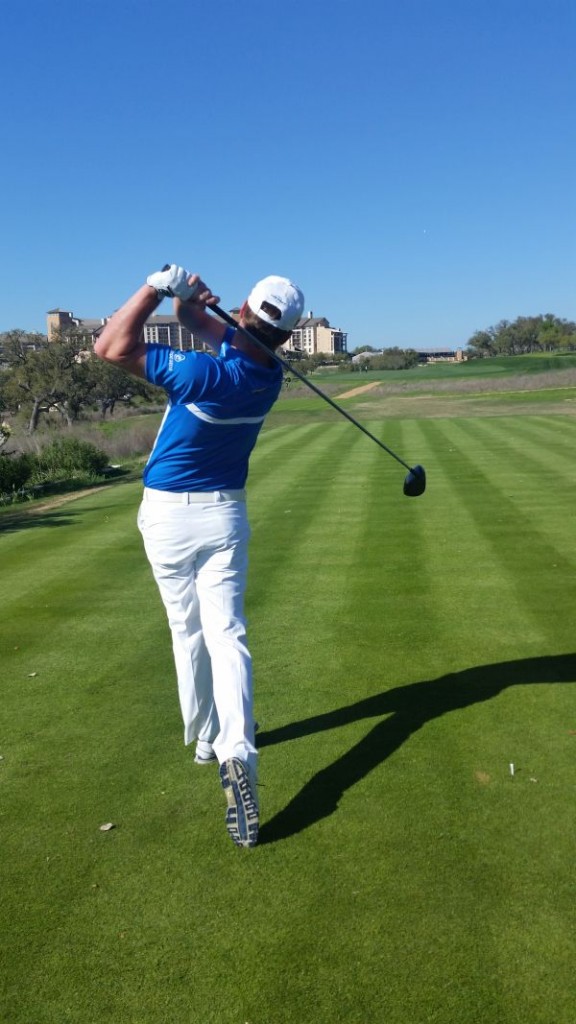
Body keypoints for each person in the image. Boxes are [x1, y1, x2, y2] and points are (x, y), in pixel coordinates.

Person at [94, 264, 305, 848]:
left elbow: (110, 347)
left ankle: (206, 738)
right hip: (225, 514)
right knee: (228, 632)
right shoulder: (268, 374)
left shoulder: (201, 372)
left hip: (167, 515)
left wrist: (153, 287)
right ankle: (238, 750)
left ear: (243, 311)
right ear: (287, 337)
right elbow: (200, 326)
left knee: (186, 631)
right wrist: (191, 302)